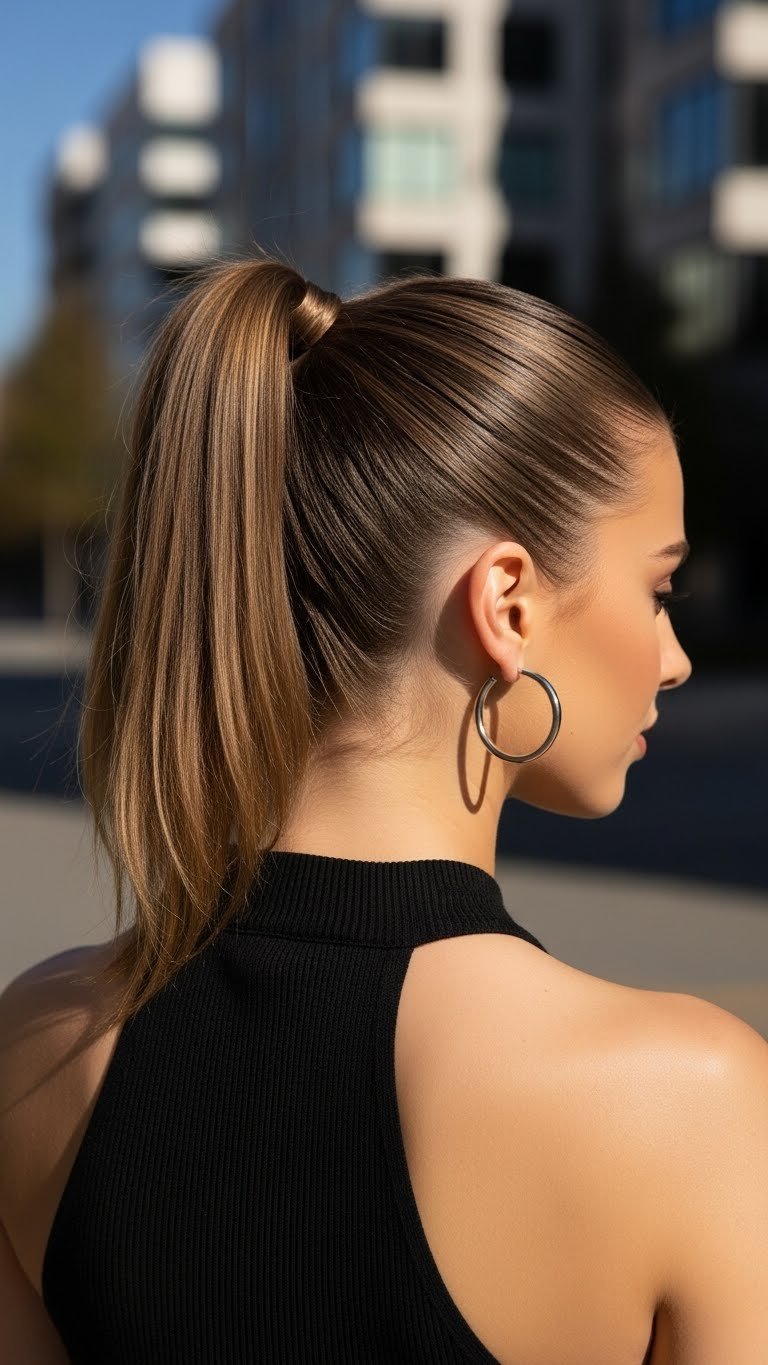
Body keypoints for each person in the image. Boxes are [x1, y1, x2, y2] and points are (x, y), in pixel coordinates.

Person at [0, 256, 766, 1364]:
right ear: (506, 602)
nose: (676, 656)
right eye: (657, 588)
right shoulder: (686, 1100)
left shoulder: (35, 1045)